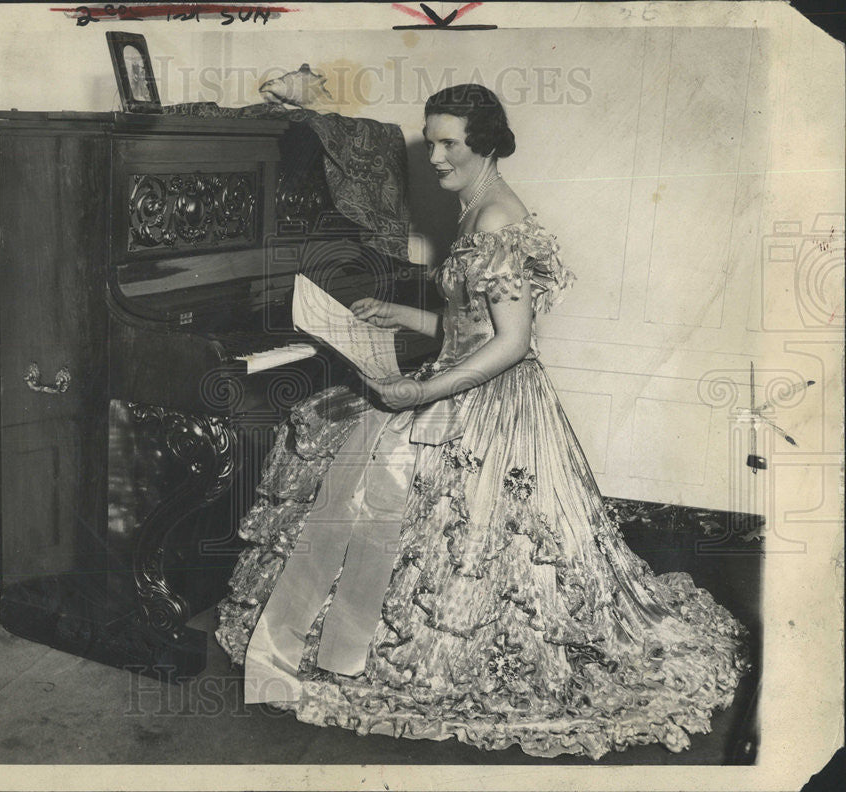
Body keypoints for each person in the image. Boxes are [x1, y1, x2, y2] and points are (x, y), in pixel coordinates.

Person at [215, 84, 748, 759]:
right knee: (352, 463)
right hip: (460, 381)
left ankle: (389, 649)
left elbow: (512, 341)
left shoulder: (498, 218)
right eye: (430, 139)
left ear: (486, 143)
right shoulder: (469, 209)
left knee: (458, 533)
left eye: (449, 143)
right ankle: (343, 636)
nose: (434, 156)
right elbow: (471, 325)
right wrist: (405, 316)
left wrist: (427, 389)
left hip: (493, 403)